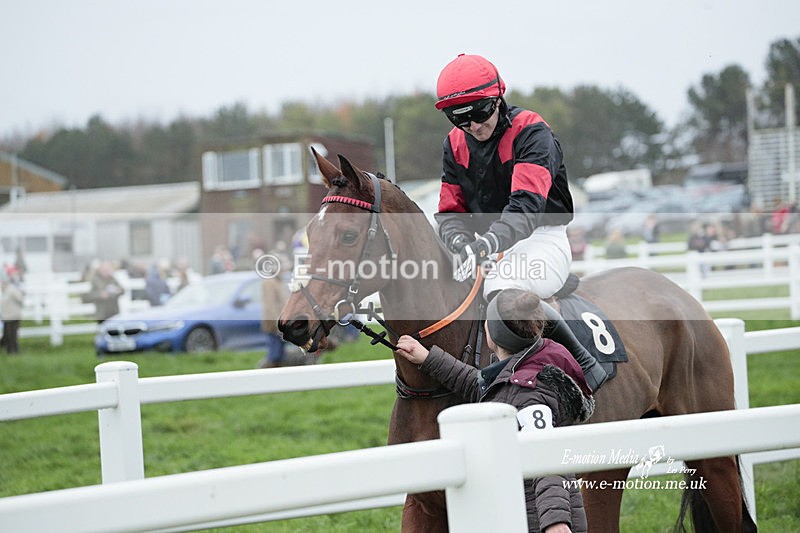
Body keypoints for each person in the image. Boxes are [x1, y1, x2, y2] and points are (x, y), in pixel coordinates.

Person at [433, 53, 607, 391]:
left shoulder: (531, 131)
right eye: (460, 118)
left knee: (502, 290)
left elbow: (526, 207)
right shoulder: (453, 144)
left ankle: (583, 362)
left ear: (498, 97)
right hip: (486, 246)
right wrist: (459, 242)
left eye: (480, 112)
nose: (473, 126)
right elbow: (450, 212)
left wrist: (486, 244)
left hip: (541, 237)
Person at [395, 289, 592, 533]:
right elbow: (478, 384)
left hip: (537, 522)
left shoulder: (528, 393)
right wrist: (427, 357)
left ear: (493, 334)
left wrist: (555, 522)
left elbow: (545, 457)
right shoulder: (527, 367)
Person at [257, 258, 291, 369]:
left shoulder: (277, 282)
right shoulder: (269, 283)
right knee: (275, 354)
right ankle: (265, 373)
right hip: (274, 324)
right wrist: (276, 324)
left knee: (280, 354)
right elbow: (270, 306)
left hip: (281, 322)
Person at [1, 270, 24, 354]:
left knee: (12, 335)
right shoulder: (3, 291)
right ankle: (10, 351)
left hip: (13, 316)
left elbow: (20, 299)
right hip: (6, 317)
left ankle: (13, 352)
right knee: (7, 335)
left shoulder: (11, 289)